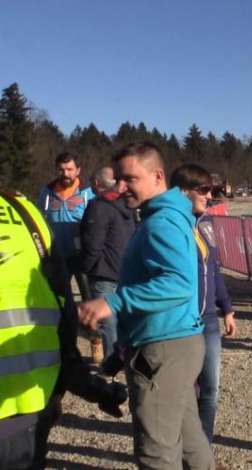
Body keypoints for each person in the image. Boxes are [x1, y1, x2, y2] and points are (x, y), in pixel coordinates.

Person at [77, 142, 213, 470]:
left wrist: (112, 302)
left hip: (162, 348)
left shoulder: (161, 222)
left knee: (156, 453)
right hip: (175, 343)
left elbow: (178, 284)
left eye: (130, 179)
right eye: (118, 179)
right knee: (188, 438)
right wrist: (122, 348)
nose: (121, 188)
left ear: (157, 176)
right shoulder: (165, 216)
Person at [0, 189, 127, 470]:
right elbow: (63, 313)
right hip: (31, 404)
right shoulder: (25, 212)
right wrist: (81, 386)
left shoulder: (29, 211)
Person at [169, 163, 237, 451]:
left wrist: (227, 308)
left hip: (208, 320)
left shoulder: (205, 223)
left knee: (210, 389)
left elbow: (214, 269)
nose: (210, 196)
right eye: (205, 190)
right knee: (182, 394)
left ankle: (202, 450)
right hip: (181, 324)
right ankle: (180, 449)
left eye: (212, 190)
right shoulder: (169, 226)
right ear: (183, 192)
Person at [80, 166, 136, 364]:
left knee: (107, 322)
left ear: (96, 183)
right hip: (125, 269)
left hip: (103, 271)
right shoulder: (126, 205)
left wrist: (85, 267)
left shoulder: (98, 206)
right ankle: (125, 358)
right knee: (123, 319)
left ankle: (112, 363)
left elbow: (92, 243)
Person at [37, 152, 96, 295]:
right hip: (57, 253)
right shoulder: (47, 192)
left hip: (81, 254)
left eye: (69, 169)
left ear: (78, 170)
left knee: (88, 295)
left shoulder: (88, 192)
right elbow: (38, 217)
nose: (65, 173)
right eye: (61, 169)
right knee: (59, 296)